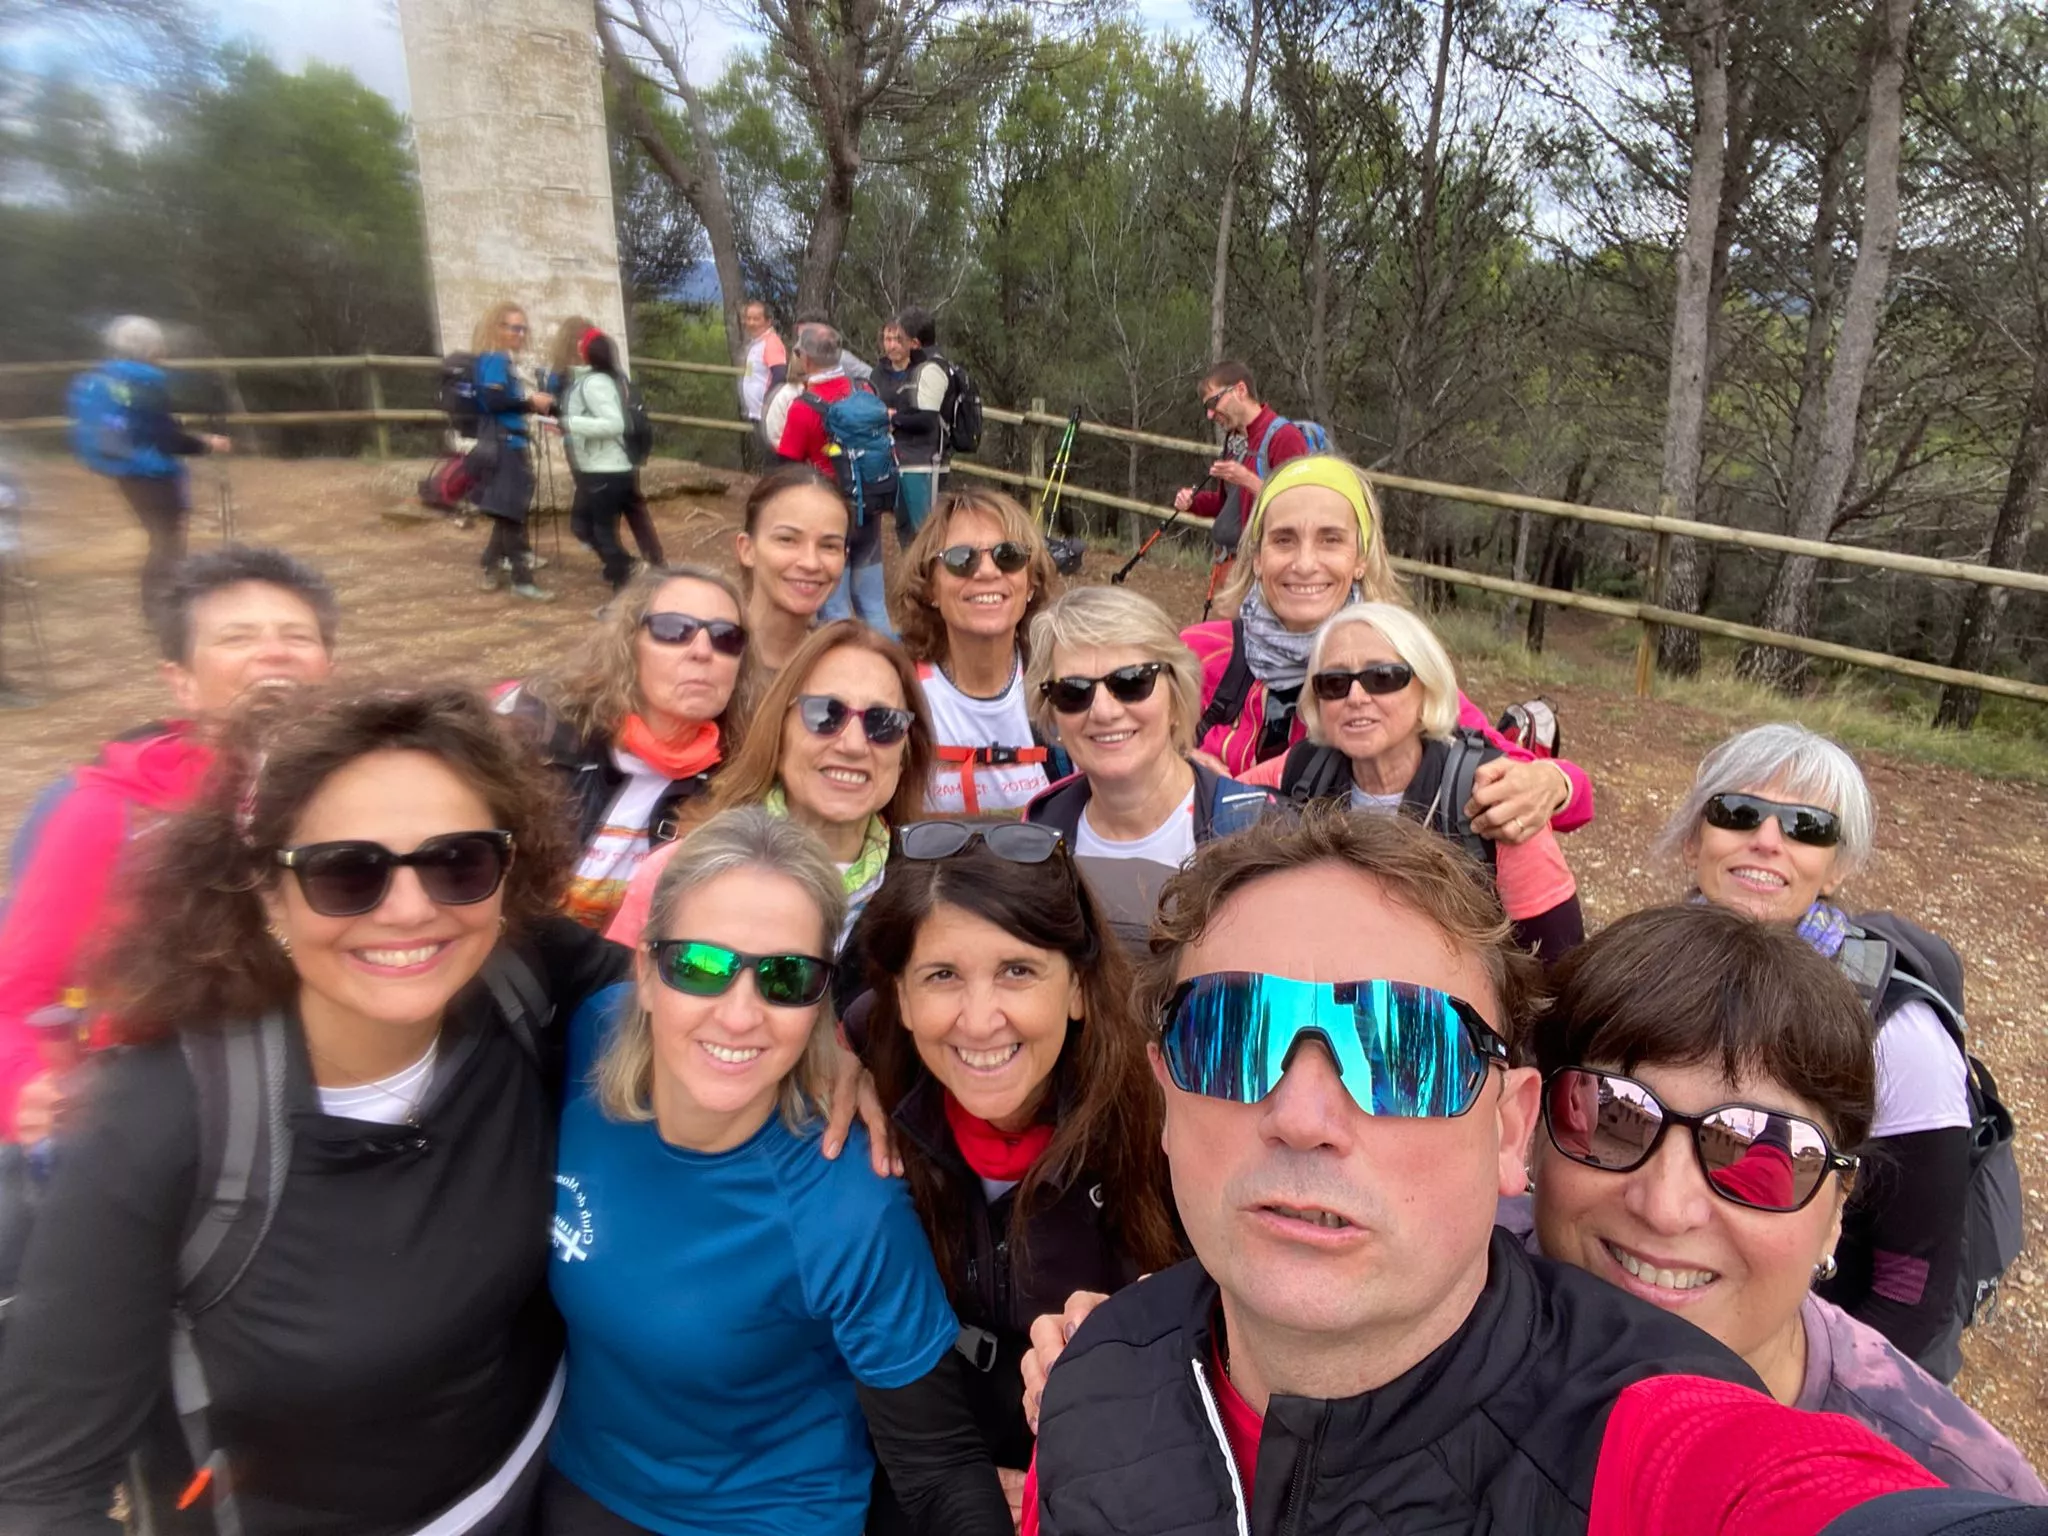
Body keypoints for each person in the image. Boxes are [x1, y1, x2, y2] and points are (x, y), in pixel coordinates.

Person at [1020, 807, 2037, 1536]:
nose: (1299, 1116)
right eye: (1231, 1037)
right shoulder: (1094, 1375)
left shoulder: (1676, 1439)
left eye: (1403, 1051)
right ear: (1163, 1096)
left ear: (1504, 1132)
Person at [0, 684, 629, 1535]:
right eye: (347, 872)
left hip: (538, 1489)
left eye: (459, 861)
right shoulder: (158, 1120)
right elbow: (42, 1489)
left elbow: (700, 1000)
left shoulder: (523, 976)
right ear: (265, 892)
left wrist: (840, 1056)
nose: (411, 909)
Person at [542, 807, 1011, 1536]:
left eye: (787, 978)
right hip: (580, 1481)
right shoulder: (586, 1040)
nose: (739, 1015)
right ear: (645, 968)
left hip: (764, 1516)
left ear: (820, 1000)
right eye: (699, 966)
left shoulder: (846, 1204)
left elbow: (940, 1466)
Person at [1521, 903, 2044, 1500]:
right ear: (1534, 1135)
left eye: (1757, 1148)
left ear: (1835, 1213)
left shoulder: (1957, 1495)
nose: (1664, 1206)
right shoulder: (1436, 1299)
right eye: (1614, 1114)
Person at [850, 820, 1184, 1514]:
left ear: (1078, 990)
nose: (979, 1020)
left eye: (1018, 971)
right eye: (942, 976)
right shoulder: (859, 1073)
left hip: (1104, 1482)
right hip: (914, 1465)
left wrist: (1048, 1488)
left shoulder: (1166, 1115)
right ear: (902, 999)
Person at [1657, 723, 1975, 1380]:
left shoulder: (1898, 1035)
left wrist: (1801, 1402)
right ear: (1696, 840)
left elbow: (1911, 1287)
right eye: (1738, 813)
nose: (1767, 841)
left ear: (1840, 867)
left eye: (1808, 826)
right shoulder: (1649, 972)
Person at [0, 545, 338, 1146]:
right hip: (162, 1122)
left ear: (328, 665)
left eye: (297, 635)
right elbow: (17, 996)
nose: (274, 651)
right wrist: (23, 1085)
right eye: (237, 637)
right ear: (180, 681)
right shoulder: (108, 812)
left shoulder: (364, 791)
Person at [1184, 455, 1594, 850]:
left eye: (1331, 540)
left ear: (1360, 559)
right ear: (1256, 558)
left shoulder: (1397, 666)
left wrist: (1552, 784)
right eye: (1283, 540)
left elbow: (1559, 795)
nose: (1305, 563)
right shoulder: (1201, 654)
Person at [1238, 601, 1584, 956]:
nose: (1356, 697)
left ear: (1426, 687)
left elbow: (1557, 962)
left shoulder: (1492, 795)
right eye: (1334, 682)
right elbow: (1210, 802)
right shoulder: (1302, 770)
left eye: (1383, 678)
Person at [608, 620, 933, 977]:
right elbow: (622, 1020)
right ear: (779, 731)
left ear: (906, 751)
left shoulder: (929, 897)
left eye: (883, 722)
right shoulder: (676, 873)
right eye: (825, 713)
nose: (853, 744)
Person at [497, 565, 751, 931]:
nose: (702, 651)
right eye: (674, 630)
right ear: (629, 644)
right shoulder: (539, 738)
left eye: (725, 637)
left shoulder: (742, 779)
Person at [1021, 587, 1275, 943]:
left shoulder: (1258, 831)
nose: (1104, 711)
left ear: (1176, 695)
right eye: (1074, 692)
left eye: (1131, 683)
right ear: (1051, 714)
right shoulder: (1039, 830)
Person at [896, 487, 1065, 817]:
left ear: (1030, 583)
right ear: (929, 587)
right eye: (961, 559)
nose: (987, 572)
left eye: (1009, 556)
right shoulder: (898, 690)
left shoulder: (1065, 687)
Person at [67, 316, 232, 628]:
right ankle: (161, 611)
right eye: (158, 343)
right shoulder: (145, 382)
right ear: (148, 347)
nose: (164, 348)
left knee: (161, 538)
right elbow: (165, 438)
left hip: (123, 469)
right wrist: (206, 444)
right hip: (152, 472)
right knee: (167, 540)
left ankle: (164, 605)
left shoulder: (105, 378)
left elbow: (140, 428)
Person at [779, 322, 896, 636]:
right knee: (874, 606)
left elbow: (786, 468)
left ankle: (842, 678)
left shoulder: (803, 408)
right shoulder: (865, 391)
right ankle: (894, 673)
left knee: (835, 611)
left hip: (827, 515)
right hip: (868, 506)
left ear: (805, 359)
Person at [548, 317, 664, 566]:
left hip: (597, 458)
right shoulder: (616, 376)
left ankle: (624, 567)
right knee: (631, 510)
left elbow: (605, 420)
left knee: (593, 523)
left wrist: (565, 421)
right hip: (623, 454)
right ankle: (651, 563)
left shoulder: (578, 378)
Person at [1170, 361, 1309, 558]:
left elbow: (1299, 508)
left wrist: (1247, 479)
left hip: (1264, 569)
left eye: (1213, 402)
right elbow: (1227, 505)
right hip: (1229, 564)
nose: (1210, 414)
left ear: (1240, 390)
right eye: (1207, 408)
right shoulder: (1234, 439)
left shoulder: (1285, 437)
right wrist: (1193, 501)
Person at [470, 301, 557, 601]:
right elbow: (494, 404)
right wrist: (531, 403)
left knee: (506, 511)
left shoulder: (494, 359)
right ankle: (521, 579)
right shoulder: (495, 359)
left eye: (523, 328)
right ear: (498, 328)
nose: (520, 334)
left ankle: (490, 566)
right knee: (513, 513)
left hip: (503, 442)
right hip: (506, 445)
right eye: (514, 328)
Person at [735, 463, 851, 678]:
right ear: (747, 549)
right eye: (787, 540)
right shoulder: (707, 654)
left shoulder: (846, 670)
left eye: (828, 546)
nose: (811, 563)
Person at [555, 327, 638, 593]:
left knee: (601, 532)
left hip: (605, 471)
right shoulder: (590, 381)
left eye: (581, 345)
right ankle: (625, 568)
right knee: (582, 526)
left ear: (587, 353)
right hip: (596, 469)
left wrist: (569, 423)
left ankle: (626, 585)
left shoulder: (596, 384)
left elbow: (613, 424)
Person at [889, 306, 954, 539]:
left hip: (925, 464)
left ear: (915, 343)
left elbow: (928, 421)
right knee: (906, 530)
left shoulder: (930, 370)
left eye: (901, 338)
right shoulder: (920, 368)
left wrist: (893, 419)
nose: (896, 344)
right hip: (911, 461)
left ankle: (929, 576)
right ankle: (911, 575)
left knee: (925, 536)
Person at [739, 299, 790, 462]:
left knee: (773, 456)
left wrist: (768, 402)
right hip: (758, 412)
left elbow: (779, 373)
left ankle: (776, 485)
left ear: (768, 321)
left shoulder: (771, 343)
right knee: (766, 453)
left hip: (767, 412)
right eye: (748, 318)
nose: (751, 323)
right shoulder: (757, 343)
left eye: (756, 319)